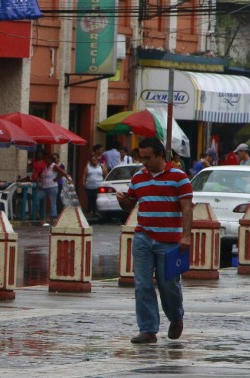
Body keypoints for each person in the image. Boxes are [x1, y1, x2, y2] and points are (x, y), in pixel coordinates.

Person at [116, 137, 193, 344]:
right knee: (142, 284)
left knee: (169, 285)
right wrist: (123, 201)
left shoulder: (179, 177)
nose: (144, 162)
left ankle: (176, 317)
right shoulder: (139, 178)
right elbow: (130, 204)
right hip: (143, 236)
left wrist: (186, 235)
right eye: (142, 158)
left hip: (169, 240)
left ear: (160, 155)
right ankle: (148, 330)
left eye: (148, 158)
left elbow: (187, 208)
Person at [37, 153, 71, 226]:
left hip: (52, 187)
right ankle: (40, 215)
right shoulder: (46, 167)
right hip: (45, 187)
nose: (45, 160)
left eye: (46, 159)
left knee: (53, 203)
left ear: (50, 159)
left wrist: (57, 178)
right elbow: (42, 175)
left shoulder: (54, 166)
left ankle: (53, 220)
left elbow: (63, 172)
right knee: (36, 197)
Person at [82, 154, 107, 218]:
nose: (93, 161)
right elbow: (85, 175)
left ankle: (96, 211)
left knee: (96, 198)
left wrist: (105, 183)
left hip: (98, 185)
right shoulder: (88, 166)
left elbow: (105, 174)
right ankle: (92, 211)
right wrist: (83, 182)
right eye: (92, 160)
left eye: (94, 160)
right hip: (89, 186)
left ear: (97, 160)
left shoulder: (101, 166)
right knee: (91, 199)